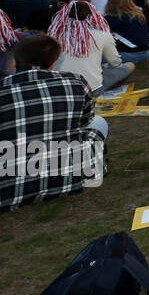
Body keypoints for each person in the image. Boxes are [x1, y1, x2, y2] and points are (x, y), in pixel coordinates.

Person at [0, 34, 107, 211]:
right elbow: (86, 121)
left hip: (9, 187)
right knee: (99, 124)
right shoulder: (74, 81)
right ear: (53, 63)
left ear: (14, 63)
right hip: (72, 176)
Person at [49, 0, 135, 96]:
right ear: (92, 15)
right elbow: (116, 63)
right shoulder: (102, 34)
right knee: (130, 65)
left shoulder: (54, 35)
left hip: (58, 88)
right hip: (90, 89)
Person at [104, 0, 149, 64]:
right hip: (147, 53)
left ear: (111, 1)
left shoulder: (112, 17)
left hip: (129, 55)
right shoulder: (139, 14)